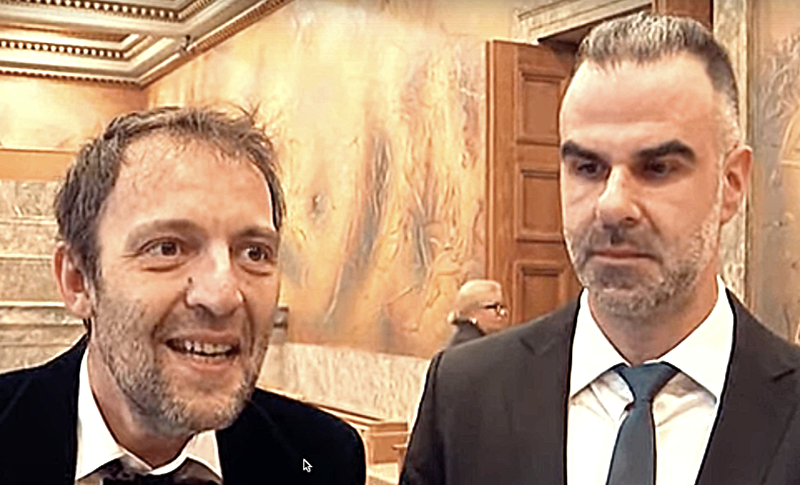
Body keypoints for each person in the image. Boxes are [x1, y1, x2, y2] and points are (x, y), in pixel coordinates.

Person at [401, 12, 800, 485]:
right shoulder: (465, 395)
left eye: (657, 168)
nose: (612, 206)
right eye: (588, 168)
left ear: (731, 183)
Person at [0, 107, 366, 484]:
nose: (222, 296)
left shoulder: (323, 457)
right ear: (78, 280)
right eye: (167, 248)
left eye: (254, 253)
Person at [446, 280, 509, 347]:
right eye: (494, 307)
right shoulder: (469, 344)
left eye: (502, 306)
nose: (503, 312)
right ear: (472, 312)